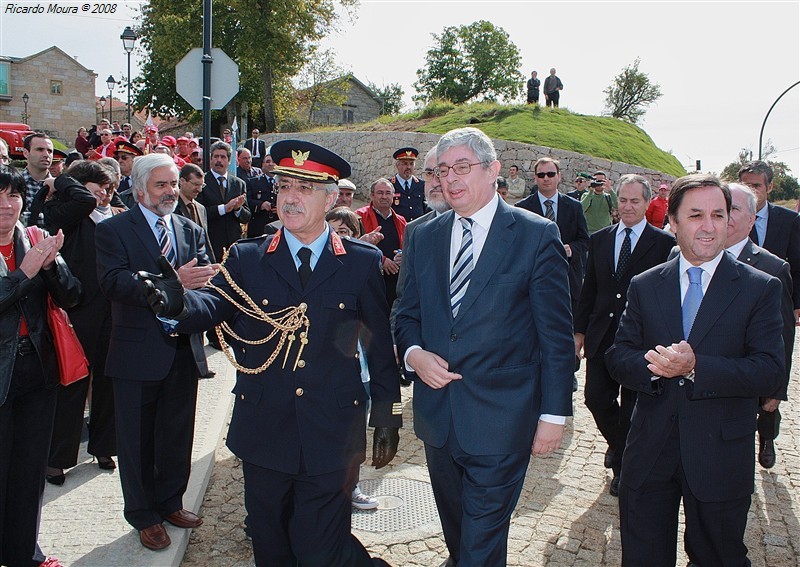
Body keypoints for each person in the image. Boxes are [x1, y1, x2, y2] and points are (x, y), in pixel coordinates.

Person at [139, 140, 401, 566]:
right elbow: (215, 304)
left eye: (305, 188)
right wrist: (177, 304)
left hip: (332, 430)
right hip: (265, 429)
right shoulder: (247, 258)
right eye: (284, 187)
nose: (291, 198)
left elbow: (378, 344)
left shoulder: (359, 262)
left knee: (321, 546)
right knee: (271, 541)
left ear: (331, 197)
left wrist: (388, 412)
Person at [395, 127, 574, 565]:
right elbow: (405, 314)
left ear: (493, 170)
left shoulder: (536, 235)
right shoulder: (424, 236)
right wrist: (414, 354)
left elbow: (555, 334)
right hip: (439, 421)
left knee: (479, 549)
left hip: (503, 420)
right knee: (460, 540)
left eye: (461, 167)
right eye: (441, 170)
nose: (449, 179)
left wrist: (554, 414)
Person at [606, 174, 784, 566]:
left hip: (719, 454)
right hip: (650, 450)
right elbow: (618, 356)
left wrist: (696, 367)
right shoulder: (646, 284)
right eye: (696, 215)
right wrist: (655, 367)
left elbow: (770, 371)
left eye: (718, 215)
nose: (708, 226)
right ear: (671, 221)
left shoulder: (761, 287)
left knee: (718, 557)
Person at [95, 153, 218, 551]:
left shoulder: (188, 227)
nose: (170, 191)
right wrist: (171, 284)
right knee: (136, 441)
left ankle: (170, 503)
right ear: (141, 187)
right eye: (162, 184)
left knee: (176, 435)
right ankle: (144, 515)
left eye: (174, 183)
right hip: (136, 355)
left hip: (182, 350)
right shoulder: (115, 230)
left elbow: (207, 277)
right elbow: (113, 283)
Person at [573, 174, 675, 496]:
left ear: (648, 203)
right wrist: (578, 333)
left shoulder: (663, 244)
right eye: (623, 200)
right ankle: (620, 445)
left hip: (641, 344)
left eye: (635, 201)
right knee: (596, 398)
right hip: (602, 337)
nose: (628, 207)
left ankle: (623, 467)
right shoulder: (600, 239)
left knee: (633, 408)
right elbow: (590, 289)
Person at [0, 167, 81, 567]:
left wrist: (51, 266)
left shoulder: (32, 238)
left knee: (29, 468)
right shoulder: (22, 257)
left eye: (13, 196)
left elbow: (72, 297)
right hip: (1, 372)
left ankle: (24, 554)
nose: (6, 205)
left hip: (37, 369)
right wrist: (23, 273)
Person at [40, 161, 120, 486]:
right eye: (98, 185)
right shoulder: (66, 213)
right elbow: (82, 199)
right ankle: (58, 458)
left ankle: (104, 447)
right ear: (79, 185)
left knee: (107, 381)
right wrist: (63, 180)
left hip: (112, 312)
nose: (104, 193)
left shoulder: (115, 214)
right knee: (72, 384)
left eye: (108, 187)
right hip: (76, 311)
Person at [738, 160, 800, 468]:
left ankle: (767, 437)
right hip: (737, 309)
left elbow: (797, 267)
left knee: (769, 381)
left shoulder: (788, 221)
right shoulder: (728, 220)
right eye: (746, 184)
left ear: (770, 187)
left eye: (757, 186)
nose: (751, 190)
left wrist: (796, 303)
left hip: (776, 304)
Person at [516, 157, 589, 316]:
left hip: (567, 281)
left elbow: (584, 241)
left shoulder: (574, 207)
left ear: (559, 176)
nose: (546, 178)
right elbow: (517, 245)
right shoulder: (522, 209)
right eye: (541, 175)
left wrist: (571, 249)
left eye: (550, 174)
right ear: (535, 178)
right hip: (532, 282)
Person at [196, 141, 251, 264]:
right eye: (216, 156)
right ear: (210, 159)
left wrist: (237, 209)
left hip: (233, 244)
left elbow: (246, 217)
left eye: (223, 157)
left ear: (229, 161)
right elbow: (199, 212)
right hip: (211, 244)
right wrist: (224, 208)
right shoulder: (202, 182)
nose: (219, 160)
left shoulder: (238, 184)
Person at [355, 178, 407, 307]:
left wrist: (402, 256)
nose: (384, 196)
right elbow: (353, 246)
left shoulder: (401, 221)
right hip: (369, 281)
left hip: (395, 282)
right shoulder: (359, 216)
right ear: (372, 195)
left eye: (388, 193)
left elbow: (408, 246)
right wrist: (382, 260)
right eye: (380, 193)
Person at [236, 147, 277, 237]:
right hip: (258, 227)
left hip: (277, 227)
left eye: (273, 162)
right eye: (267, 161)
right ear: (262, 165)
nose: (271, 164)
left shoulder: (284, 183)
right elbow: (247, 201)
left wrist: (280, 209)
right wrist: (261, 205)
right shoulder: (252, 182)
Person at [390, 147, 426, 221]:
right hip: (398, 228)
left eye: (411, 164)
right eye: (405, 164)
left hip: (417, 227)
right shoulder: (389, 185)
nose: (408, 167)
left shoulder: (421, 184)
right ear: (397, 165)